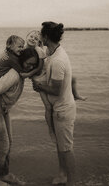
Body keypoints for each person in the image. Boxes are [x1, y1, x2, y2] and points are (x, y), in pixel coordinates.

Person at [0, 47, 39, 186]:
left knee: (9, 143)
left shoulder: (22, 73)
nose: (30, 67)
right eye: (28, 63)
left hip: (3, 109)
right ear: (22, 60)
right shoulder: (14, 74)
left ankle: (4, 174)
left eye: (33, 65)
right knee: (2, 146)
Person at [32, 21, 76, 186]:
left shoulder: (58, 60)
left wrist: (39, 85)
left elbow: (56, 90)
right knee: (60, 146)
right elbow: (42, 56)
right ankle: (63, 175)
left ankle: (71, 182)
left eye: (41, 35)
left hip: (63, 111)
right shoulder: (54, 52)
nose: (40, 37)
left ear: (46, 37)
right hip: (59, 109)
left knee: (66, 149)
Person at [20, 30, 56, 142]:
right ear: (27, 36)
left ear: (38, 42)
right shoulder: (22, 49)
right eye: (31, 36)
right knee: (49, 106)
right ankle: (51, 129)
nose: (32, 39)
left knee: (51, 106)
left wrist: (27, 75)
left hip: (45, 77)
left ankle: (53, 129)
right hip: (37, 78)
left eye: (36, 39)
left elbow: (39, 68)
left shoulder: (39, 50)